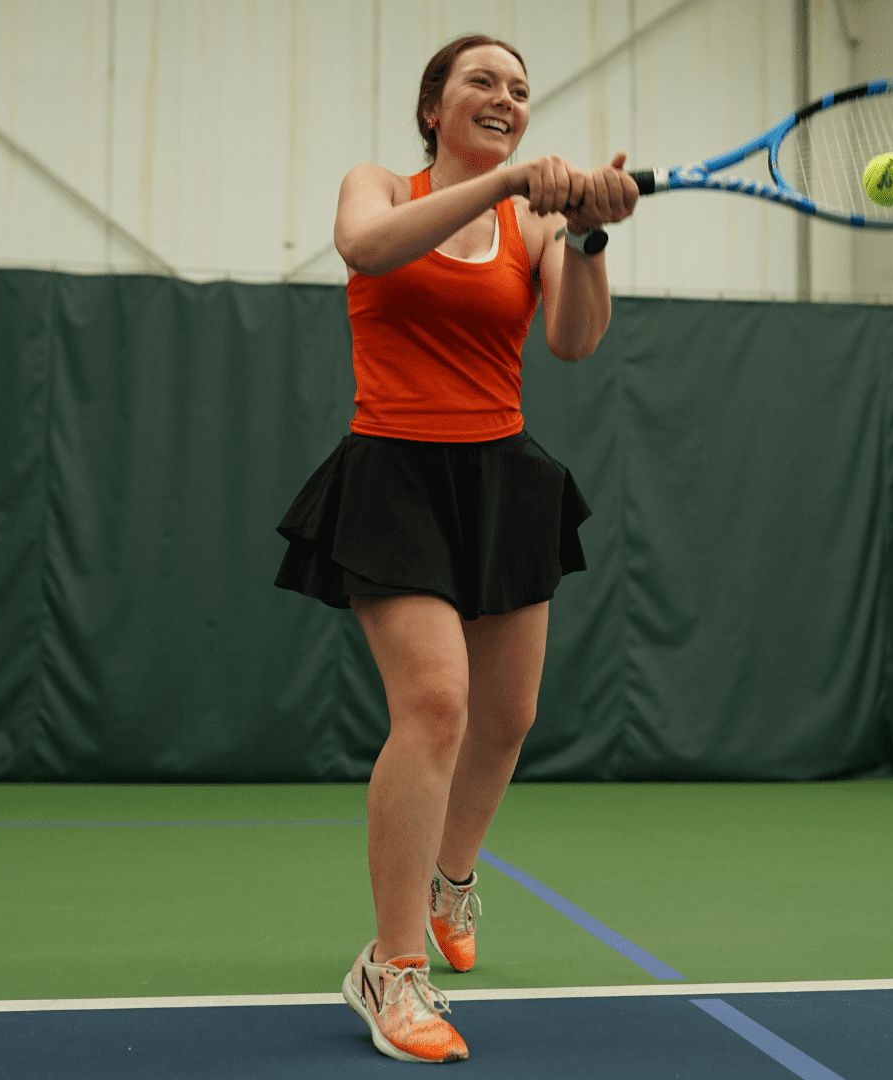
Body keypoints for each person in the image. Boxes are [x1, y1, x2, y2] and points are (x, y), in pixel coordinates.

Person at [274, 33, 638, 1064]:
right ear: (435, 106)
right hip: (392, 473)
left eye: (520, 90)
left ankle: (453, 882)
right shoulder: (379, 184)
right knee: (435, 703)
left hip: (503, 475)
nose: (506, 97)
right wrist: (512, 183)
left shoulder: (533, 220)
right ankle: (391, 971)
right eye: (483, 80)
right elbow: (366, 248)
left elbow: (572, 340)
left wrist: (588, 234)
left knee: (508, 715)